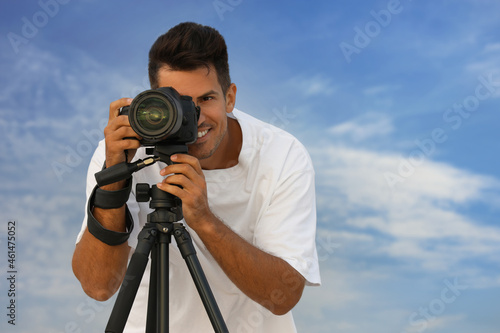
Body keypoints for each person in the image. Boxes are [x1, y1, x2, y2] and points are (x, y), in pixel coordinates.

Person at [72, 22, 321, 332]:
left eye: (206, 99)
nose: (195, 118)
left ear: (230, 97)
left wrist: (203, 219)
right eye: (179, 102)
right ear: (155, 101)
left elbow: (282, 297)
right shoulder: (123, 152)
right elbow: (98, 286)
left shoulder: (281, 155)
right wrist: (113, 179)